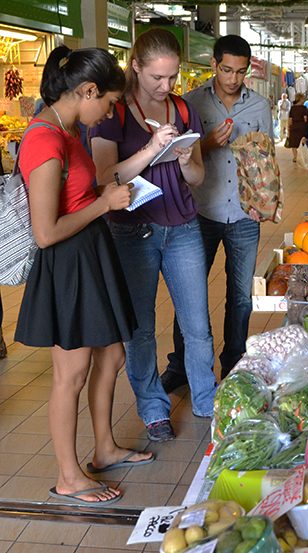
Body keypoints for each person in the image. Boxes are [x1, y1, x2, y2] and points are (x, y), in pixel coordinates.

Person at [14, 45, 152, 506]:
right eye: (109, 102)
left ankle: (105, 447)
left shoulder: (68, 129)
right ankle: (69, 476)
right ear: (87, 89)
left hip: (91, 254)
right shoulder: (43, 138)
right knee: (69, 374)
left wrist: (108, 193)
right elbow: (46, 231)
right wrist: (104, 204)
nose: (109, 112)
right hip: (68, 263)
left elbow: (80, 193)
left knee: (111, 356)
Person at [90, 28, 217, 442]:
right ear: (136, 67)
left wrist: (183, 160)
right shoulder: (114, 112)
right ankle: (152, 408)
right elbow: (104, 178)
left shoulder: (182, 110)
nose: (166, 87)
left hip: (182, 227)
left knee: (197, 324)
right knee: (141, 328)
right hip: (132, 232)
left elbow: (197, 175)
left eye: (173, 77)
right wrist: (149, 149)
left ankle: (206, 401)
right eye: (156, 78)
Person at [160, 34, 274, 391]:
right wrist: (207, 143)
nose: (233, 79)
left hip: (244, 216)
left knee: (240, 298)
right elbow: (179, 160)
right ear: (214, 65)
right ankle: (181, 366)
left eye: (241, 72)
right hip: (200, 213)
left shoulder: (259, 107)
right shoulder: (191, 104)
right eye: (227, 70)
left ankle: (234, 365)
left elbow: (266, 162)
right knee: (189, 294)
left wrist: (265, 204)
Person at [287, 92, 308, 163]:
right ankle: (301, 157)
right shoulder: (304, 108)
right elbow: (305, 118)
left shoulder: (292, 108)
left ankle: (295, 157)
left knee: (293, 143)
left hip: (294, 127)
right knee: (301, 142)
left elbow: (290, 120)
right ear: (301, 99)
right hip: (302, 126)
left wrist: (289, 128)